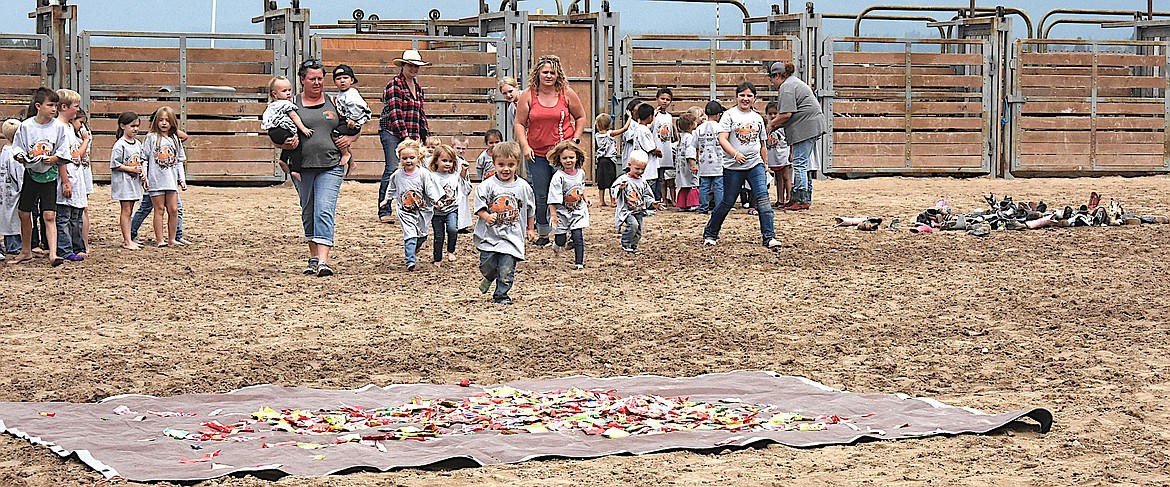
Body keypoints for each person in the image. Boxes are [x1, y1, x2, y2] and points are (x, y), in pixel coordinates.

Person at [276, 59, 357, 277]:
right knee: (308, 210)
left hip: (331, 164)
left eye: (320, 78)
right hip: (301, 167)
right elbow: (275, 135)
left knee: (324, 208)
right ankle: (313, 256)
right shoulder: (289, 104)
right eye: (312, 79)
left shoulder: (334, 102)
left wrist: (350, 139)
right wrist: (284, 144)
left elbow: (354, 125)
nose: (317, 83)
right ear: (303, 80)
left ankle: (323, 261)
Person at [514, 54, 587, 247]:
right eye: (545, 72)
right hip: (536, 152)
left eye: (552, 73)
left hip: (562, 153)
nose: (548, 76)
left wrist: (576, 138)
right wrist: (525, 146)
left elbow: (580, 117)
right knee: (540, 194)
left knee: (567, 193)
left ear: (558, 75)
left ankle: (571, 232)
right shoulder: (528, 95)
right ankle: (544, 232)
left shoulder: (566, 93)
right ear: (537, 73)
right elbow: (519, 123)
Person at [702, 82, 782, 249]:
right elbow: (722, 138)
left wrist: (764, 163)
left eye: (749, 96)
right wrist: (735, 154)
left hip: (755, 164)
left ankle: (769, 236)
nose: (745, 99)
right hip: (733, 166)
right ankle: (710, 233)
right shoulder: (729, 116)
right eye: (742, 95)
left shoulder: (757, 118)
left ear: (754, 98)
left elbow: (762, 144)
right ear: (736, 96)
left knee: (763, 198)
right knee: (727, 202)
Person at [9, 87, 70, 266]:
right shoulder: (27, 126)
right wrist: (20, 156)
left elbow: (63, 149)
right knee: (24, 212)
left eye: (56, 105)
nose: (54, 109)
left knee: (49, 214)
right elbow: (18, 146)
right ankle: (26, 250)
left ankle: (53, 253)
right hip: (31, 173)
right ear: (38, 106)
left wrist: (54, 158)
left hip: (49, 174)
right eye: (50, 105)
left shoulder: (59, 127)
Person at [474, 141, 536, 305]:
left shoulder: (523, 187)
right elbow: (479, 206)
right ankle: (488, 276)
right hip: (490, 236)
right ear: (494, 163)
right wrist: (486, 216)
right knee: (487, 265)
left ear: (517, 164)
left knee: (506, 269)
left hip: (512, 236)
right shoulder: (487, 186)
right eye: (501, 164)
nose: (505, 169)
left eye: (510, 165)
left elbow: (530, 209)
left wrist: (530, 229)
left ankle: (501, 295)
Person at [378, 50, 430, 224]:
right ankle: (384, 208)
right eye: (411, 65)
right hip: (393, 131)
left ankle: (412, 205)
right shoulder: (395, 85)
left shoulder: (418, 87)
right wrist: (406, 137)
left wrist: (425, 135)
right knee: (392, 168)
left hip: (411, 132)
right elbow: (395, 112)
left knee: (416, 169)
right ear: (403, 66)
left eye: (416, 66)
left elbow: (420, 113)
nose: (414, 69)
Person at [768, 61, 825, 211]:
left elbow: (786, 114)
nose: (772, 82)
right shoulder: (794, 83)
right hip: (812, 125)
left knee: (799, 163)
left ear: (777, 76)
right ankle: (805, 198)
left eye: (772, 78)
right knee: (804, 164)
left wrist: (771, 124)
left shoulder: (786, 87)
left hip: (806, 127)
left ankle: (800, 200)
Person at [129, 110, 190, 245]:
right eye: (161, 120)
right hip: (156, 180)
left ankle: (173, 238)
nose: (164, 123)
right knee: (159, 209)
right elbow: (144, 158)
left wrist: (182, 179)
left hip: (171, 181)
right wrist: (144, 176)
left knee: (174, 209)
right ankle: (159, 239)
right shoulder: (151, 138)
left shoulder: (175, 139)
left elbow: (180, 160)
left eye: (167, 120)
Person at [381, 139, 440, 271]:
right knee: (410, 235)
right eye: (405, 158)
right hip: (405, 211)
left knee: (421, 235)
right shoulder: (397, 175)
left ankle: (417, 245)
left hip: (422, 211)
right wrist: (387, 200)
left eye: (412, 158)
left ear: (418, 157)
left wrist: (436, 200)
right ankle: (410, 261)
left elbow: (430, 189)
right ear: (400, 158)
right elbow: (391, 188)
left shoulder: (424, 174)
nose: (408, 161)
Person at [54, 89, 88, 261]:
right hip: (67, 176)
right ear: (64, 107)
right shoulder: (59, 127)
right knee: (64, 216)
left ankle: (77, 246)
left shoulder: (69, 127)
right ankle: (65, 249)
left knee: (75, 215)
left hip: (76, 174)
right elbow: (61, 157)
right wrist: (65, 181)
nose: (77, 110)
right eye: (75, 106)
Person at [611, 150, 664, 255]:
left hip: (638, 210)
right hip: (627, 210)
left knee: (639, 230)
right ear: (630, 165)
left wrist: (653, 203)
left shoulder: (643, 181)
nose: (640, 171)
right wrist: (620, 189)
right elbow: (613, 190)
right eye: (637, 169)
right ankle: (625, 243)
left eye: (643, 169)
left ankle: (633, 246)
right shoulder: (623, 179)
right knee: (633, 225)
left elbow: (646, 195)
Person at [547, 140, 589, 269]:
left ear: (577, 157)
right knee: (561, 239)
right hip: (562, 212)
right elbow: (552, 199)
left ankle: (579, 263)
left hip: (577, 211)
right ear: (559, 159)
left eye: (571, 157)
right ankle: (557, 244)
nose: (568, 160)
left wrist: (586, 199)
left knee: (578, 236)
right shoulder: (558, 177)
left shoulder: (580, 173)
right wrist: (554, 215)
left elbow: (581, 187)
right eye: (565, 158)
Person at [427, 144, 469, 267]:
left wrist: (463, 171)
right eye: (444, 160)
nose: (447, 164)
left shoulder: (454, 176)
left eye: (450, 161)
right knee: (438, 236)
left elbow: (462, 183)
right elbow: (428, 191)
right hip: (437, 212)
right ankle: (438, 258)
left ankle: (451, 250)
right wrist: (434, 202)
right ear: (436, 161)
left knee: (452, 229)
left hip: (452, 209)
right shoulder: (432, 177)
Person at [262, 75, 314, 174]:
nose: (288, 93)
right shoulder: (286, 104)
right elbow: (294, 116)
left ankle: (283, 160)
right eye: (284, 91)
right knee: (297, 144)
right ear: (275, 94)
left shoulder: (272, 105)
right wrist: (303, 129)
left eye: (289, 90)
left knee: (289, 144)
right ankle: (295, 169)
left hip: (273, 132)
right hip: (283, 129)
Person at [109, 112, 144, 250]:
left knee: (130, 211)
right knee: (126, 210)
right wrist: (132, 169)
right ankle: (127, 240)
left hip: (134, 182)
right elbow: (115, 164)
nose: (135, 129)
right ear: (123, 126)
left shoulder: (138, 144)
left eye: (137, 126)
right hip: (124, 183)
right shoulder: (120, 145)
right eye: (132, 126)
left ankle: (129, 238)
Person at [331, 64, 372, 172]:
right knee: (340, 138)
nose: (342, 81)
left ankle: (346, 154)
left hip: (353, 122)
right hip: (347, 120)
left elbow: (357, 107)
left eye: (345, 78)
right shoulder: (341, 94)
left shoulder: (351, 94)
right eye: (338, 79)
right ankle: (351, 162)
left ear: (352, 80)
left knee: (335, 133)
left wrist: (353, 119)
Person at [70, 109, 94, 256]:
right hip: (75, 174)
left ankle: (84, 243)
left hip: (83, 174)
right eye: (80, 122)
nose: (83, 126)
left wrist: (85, 139)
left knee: (83, 209)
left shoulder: (84, 135)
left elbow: (83, 155)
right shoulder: (69, 135)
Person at [695, 101, 726, 214]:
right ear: (718, 115)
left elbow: (695, 145)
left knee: (704, 186)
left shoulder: (699, 128)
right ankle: (719, 209)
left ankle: (703, 208)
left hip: (704, 163)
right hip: (718, 162)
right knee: (718, 186)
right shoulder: (721, 127)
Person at [593, 113, 629, 207]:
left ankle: (601, 201)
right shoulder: (610, 134)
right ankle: (613, 200)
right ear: (609, 125)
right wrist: (629, 118)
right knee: (611, 181)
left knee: (601, 181)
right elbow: (624, 129)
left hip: (601, 160)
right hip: (609, 160)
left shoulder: (597, 135)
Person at [764, 101, 792, 209]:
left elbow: (790, 141)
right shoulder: (768, 127)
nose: (772, 116)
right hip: (774, 155)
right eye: (770, 114)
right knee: (778, 177)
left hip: (783, 154)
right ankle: (780, 199)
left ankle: (789, 198)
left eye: (775, 113)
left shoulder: (784, 127)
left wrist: (791, 153)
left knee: (786, 177)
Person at [0, 119, 22, 256]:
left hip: (5, 189)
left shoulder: (4, 151)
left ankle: (11, 244)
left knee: (7, 217)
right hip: (14, 191)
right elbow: (19, 175)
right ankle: (14, 245)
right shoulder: (15, 154)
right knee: (14, 219)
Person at [651, 88, 675, 203]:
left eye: (668, 99)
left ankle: (660, 198)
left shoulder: (669, 117)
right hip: (655, 149)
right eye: (662, 99)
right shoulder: (654, 115)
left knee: (661, 177)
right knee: (653, 176)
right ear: (657, 99)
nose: (665, 101)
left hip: (665, 149)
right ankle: (654, 198)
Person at [674, 111, 700, 211]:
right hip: (688, 165)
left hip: (681, 166)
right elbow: (690, 152)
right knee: (693, 183)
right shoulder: (690, 138)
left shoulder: (682, 137)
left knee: (684, 184)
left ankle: (682, 203)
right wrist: (693, 164)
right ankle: (693, 203)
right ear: (691, 125)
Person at [450, 133, 474, 231]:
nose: (461, 151)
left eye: (463, 149)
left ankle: (463, 225)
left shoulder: (462, 159)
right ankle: (457, 225)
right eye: (458, 148)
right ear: (452, 147)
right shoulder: (452, 160)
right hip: (456, 187)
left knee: (464, 206)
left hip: (463, 187)